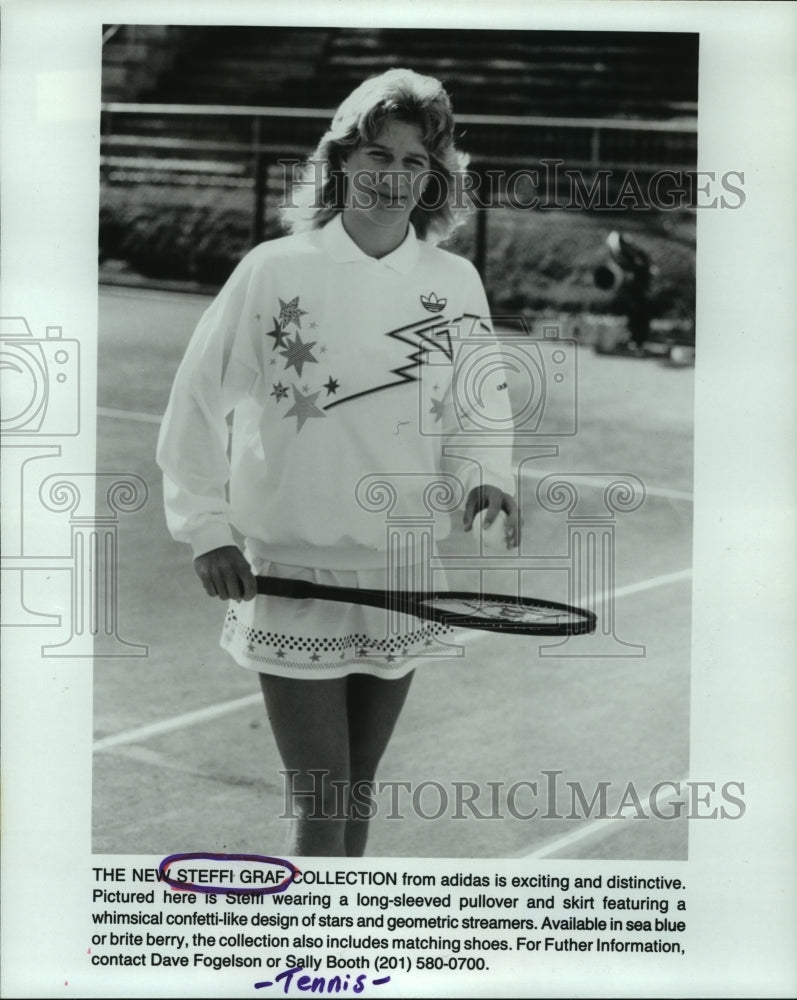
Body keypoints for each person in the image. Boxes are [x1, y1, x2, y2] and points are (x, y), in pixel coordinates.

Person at [156, 68, 520, 857]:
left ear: (434, 176)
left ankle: (334, 964)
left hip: (402, 571)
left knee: (354, 798)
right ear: (340, 161)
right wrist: (205, 527)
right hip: (293, 573)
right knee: (321, 805)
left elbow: (476, 406)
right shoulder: (274, 270)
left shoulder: (453, 282)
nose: (393, 178)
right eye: (377, 157)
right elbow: (194, 401)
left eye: (413, 162)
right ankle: (307, 971)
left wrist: (486, 476)